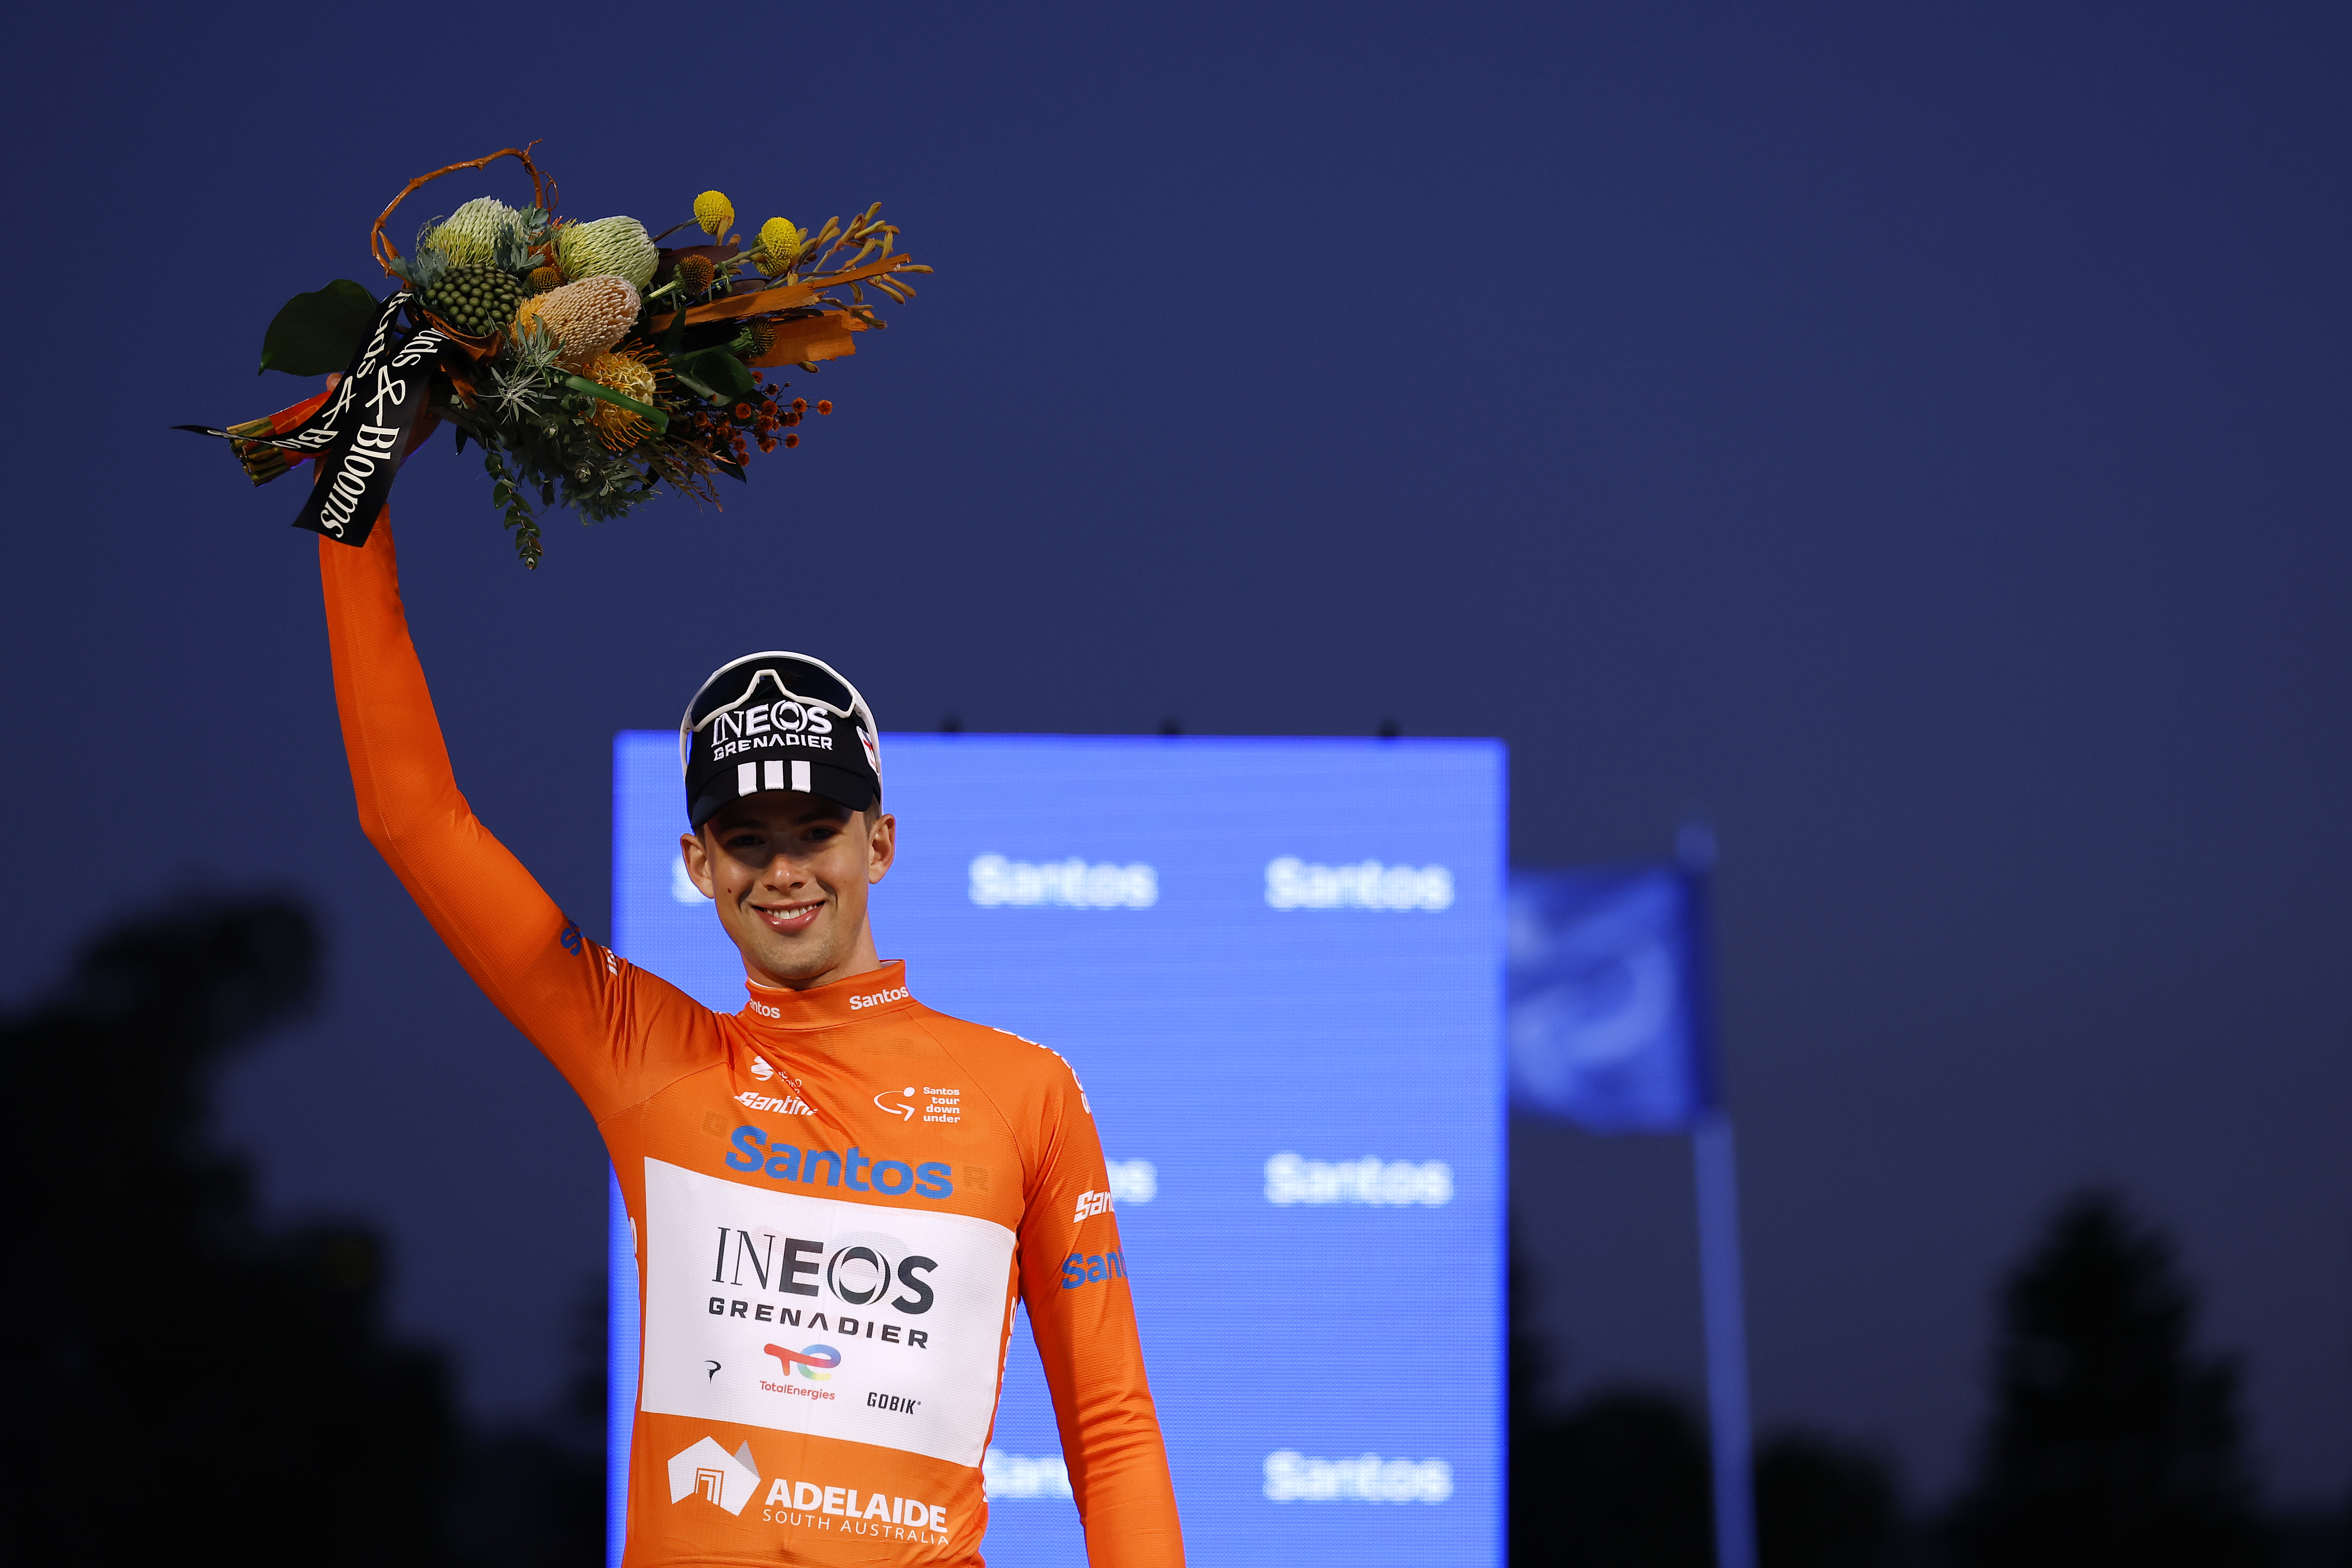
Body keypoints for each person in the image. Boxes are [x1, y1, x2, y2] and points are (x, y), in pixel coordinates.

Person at [315, 505, 1184, 1566]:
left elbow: (1112, 1434)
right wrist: (352, 499)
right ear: (697, 864)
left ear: (881, 845)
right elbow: (411, 818)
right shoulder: (646, 1052)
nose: (783, 872)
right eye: (746, 840)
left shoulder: (1026, 1092)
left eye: (818, 831)